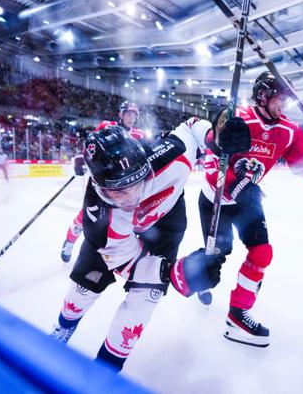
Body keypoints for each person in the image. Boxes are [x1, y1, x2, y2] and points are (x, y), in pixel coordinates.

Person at [49, 118, 250, 372]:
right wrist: (173, 272)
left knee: (143, 301)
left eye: (137, 182)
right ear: (99, 186)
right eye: (119, 190)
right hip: (117, 243)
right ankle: (63, 328)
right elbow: (128, 264)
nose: (133, 195)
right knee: (83, 289)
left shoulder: (170, 156)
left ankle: (106, 369)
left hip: (166, 225)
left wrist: (214, 137)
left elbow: (190, 127)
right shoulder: (99, 221)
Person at [198, 71, 303, 347]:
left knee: (262, 253)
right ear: (263, 95)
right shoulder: (237, 118)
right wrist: (234, 181)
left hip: (248, 198)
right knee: (215, 260)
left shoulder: (290, 131)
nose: (284, 104)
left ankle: (238, 315)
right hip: (216, 198)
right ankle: (200, 277)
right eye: (280, 98)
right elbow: (211, 157)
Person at [60, 102, 146, 263]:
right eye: (128, 114)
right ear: (120, 114)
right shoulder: (107, 127)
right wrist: (80, 160)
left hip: (125, 188)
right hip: (101, 184)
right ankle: (70, 241)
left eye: (134, 115)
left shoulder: (139, 135)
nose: (131, 118)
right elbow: (90, 147)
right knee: (85, 215)